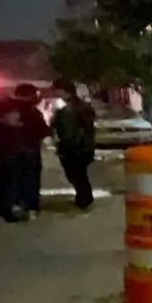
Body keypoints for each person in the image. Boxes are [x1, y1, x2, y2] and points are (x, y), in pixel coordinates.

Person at [0, 83, 51, 222]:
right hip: (27, 150)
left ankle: (5, 206)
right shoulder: (31, 111)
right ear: (30, 95)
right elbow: (43, 130)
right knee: (27, 179)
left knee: (7, 178)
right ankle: (26, 206)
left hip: (5, 151)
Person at [51, 78, 97, 211]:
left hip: (74, 147)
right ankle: (84, 197)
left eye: (57, 90)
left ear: (64, 91)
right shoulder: (81, 105)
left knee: (76, 174)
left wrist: (64, 147)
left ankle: (84, 199)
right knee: (79, 174)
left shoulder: (69, 108)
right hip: (83, 146)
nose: (55, 93)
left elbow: (68, 131)